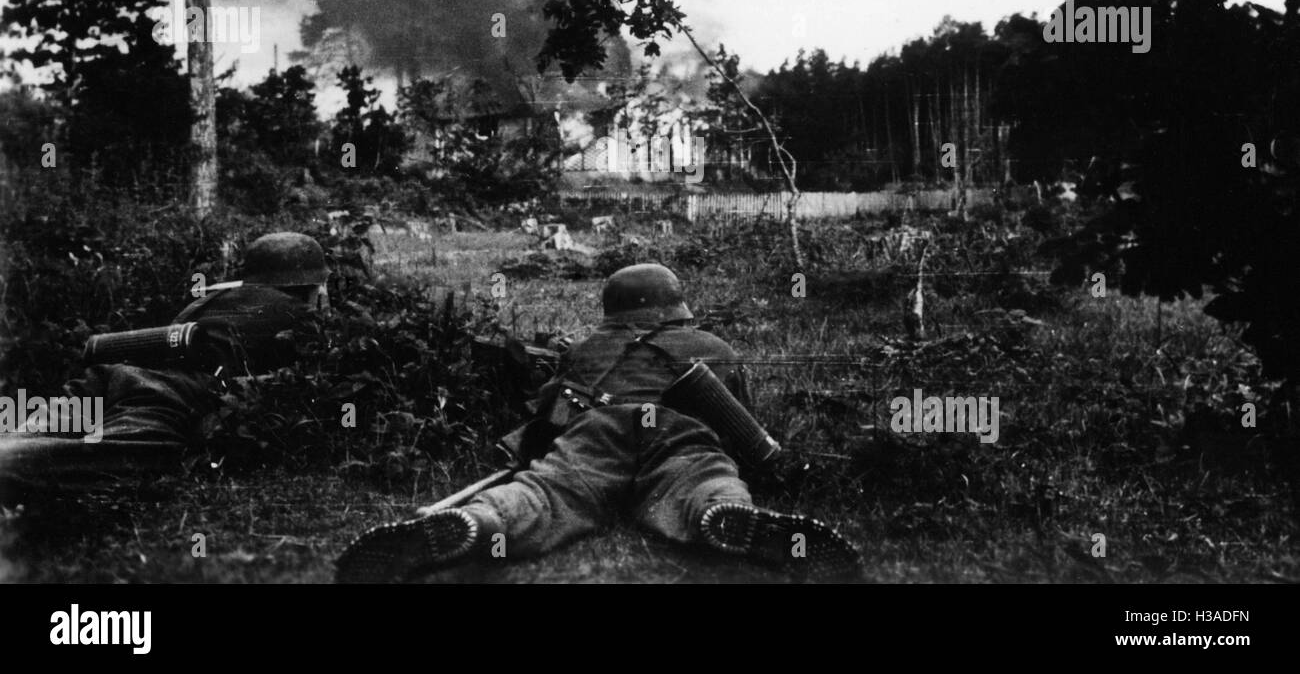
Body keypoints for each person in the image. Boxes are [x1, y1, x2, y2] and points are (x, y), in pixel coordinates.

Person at [336, 263, 860, 582]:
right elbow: (743, 433)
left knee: (546, 494)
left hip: (596, 432)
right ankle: (722, 512)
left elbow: (550, 420)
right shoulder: (711, 348)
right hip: (679, 436)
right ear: (674, 306)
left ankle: (485, 520)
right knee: (703, 476)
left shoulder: (588, 348)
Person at [0, 232, 326, 495]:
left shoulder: (210, 299)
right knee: (87, 460)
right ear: (310, 286)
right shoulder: (300, 315)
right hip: (165, 395)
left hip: (112, 374)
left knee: (22, 436)